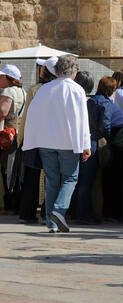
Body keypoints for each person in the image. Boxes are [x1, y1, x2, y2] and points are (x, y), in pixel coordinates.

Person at [20, 53, 90, 233]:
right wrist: (85, 145)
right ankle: (59, 211)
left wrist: (32, 140)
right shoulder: (76, 90)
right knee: (70, 177)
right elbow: (82, 120)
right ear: (73, 70)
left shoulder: (44, 89)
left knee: (51, 181)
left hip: (45, 142)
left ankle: (51, 223)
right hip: (68, 142)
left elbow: (34, 115)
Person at [15, 59, 56, 222]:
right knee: (51, 177)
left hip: (34, 139)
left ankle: (27, 213)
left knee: (31, 177)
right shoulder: (59, 89)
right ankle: (48, 211)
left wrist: (20, 139)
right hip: (53, 139)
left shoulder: (36, 90)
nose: (40, 70)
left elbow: (26, 117)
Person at [74, 76, 114, 223]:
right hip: (95, 143)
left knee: (82, 180)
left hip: (83, 140)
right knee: (89, 181)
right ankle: (83, 215)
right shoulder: (105, 103)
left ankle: (78, 211)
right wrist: (108, 139)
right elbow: (106, 125)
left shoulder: (90, 101)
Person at [0, 63, 26, 212]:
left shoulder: (8, 91)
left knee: (6, 169)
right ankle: (15, 203)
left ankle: (9, 203)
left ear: (9, 78)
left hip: (7, 133)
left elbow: (3, 112)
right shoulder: (22, 91)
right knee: (15, 169)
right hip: (18, 132)